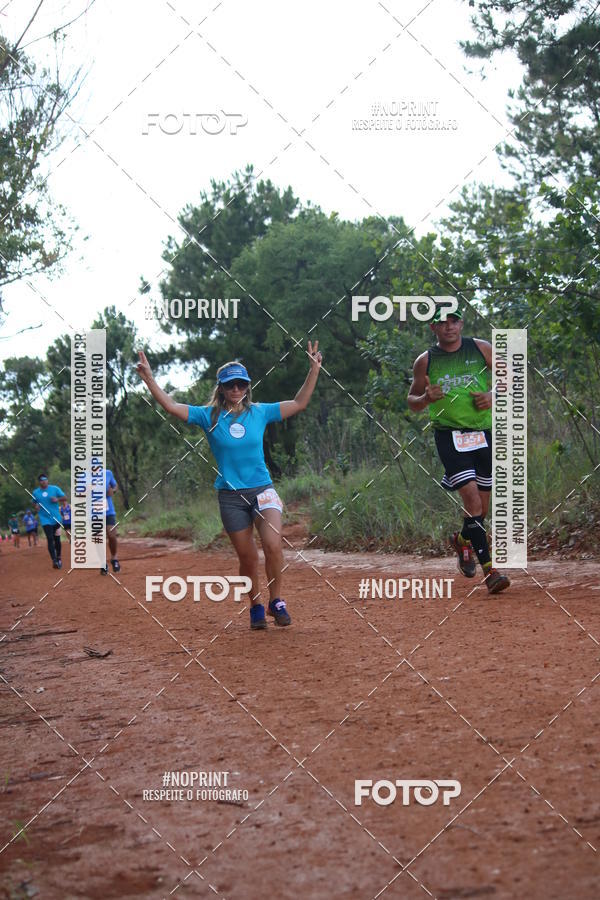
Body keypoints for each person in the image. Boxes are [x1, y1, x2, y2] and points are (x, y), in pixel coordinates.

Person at [136, 343, 322, 630]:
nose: (236, 389)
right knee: (247, 557)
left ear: (247, 387)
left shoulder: (260, 412)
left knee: (273, 545)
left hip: (263, 490)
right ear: (221, 388)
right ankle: (256, 605)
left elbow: (299, 404)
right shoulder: (208, 416)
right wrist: (149, 379)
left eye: (241, 384)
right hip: (231, 497)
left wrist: (314, 370)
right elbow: (171, 406)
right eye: (230, 385)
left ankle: (276, 601)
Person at [407, 308, 510, 594]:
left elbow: (509, 377)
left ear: (461, 323)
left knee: (482, 509)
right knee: (473, 503)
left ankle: (464, 541)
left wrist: (492, 395)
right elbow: (412, 401)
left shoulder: (481, 349)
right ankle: (491, 572)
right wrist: (426, 397)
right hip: (449, 437)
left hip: (483, 433)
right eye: (442, 322)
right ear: (433, 328)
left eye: (454, 321)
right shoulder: (425, 361)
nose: (449, 327)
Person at [32, 474, 65, 569]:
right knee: (50, 538)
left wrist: (57, 499)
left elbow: (64, 498)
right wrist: (36, 506)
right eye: (42, 480)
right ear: (39, 482)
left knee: (57, 540)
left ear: (47, 480)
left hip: (56, 518)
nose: (44, 481)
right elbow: (34, 503)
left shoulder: (55, 489)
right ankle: (54, 560)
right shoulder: (36, 492)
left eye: (45, 480)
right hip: (45, 519)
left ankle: (59, 557)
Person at [100, 469, 120, 575]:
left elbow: (115, 485)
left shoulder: (108, 473)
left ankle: (114, 558)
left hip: (109, 511)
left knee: (112, 535)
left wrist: (113, 490)